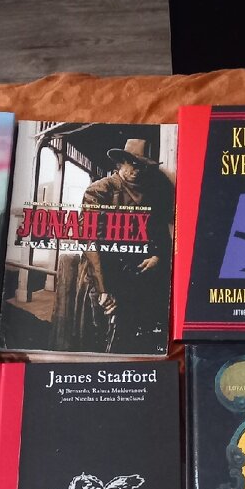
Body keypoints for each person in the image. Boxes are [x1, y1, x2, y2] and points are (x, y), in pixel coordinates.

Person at [50, 139, 174, 353]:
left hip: (137, 278)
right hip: (103, 276)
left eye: (141, 165)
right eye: (132, 163)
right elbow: (89, 240)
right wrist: (103, 289)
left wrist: (158, 256)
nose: (137, 170)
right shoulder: (100, 190)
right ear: (120, 163)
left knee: (131, 339)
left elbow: (160, 232)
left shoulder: (150, 194)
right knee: (98, 340)